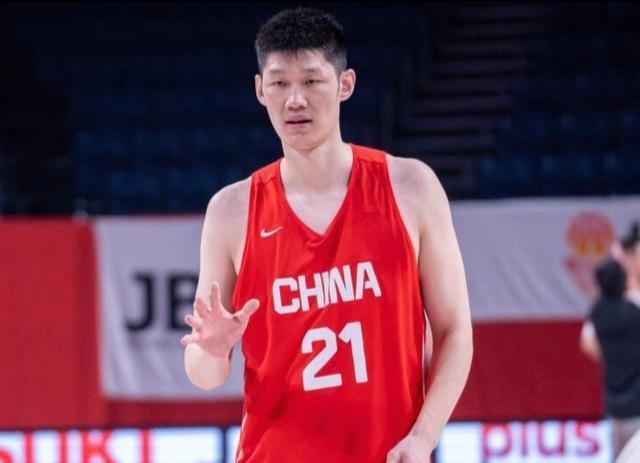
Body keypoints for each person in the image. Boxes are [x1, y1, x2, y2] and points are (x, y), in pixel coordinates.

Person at [180, 7, 473, 463]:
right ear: (260, 90)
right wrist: (214, 349)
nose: (295, 99)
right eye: (279, 83)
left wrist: (423, 438)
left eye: (312, 81)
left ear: (344, 84)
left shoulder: (410, 186)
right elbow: (203, 373)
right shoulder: (231, 211)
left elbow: (454, 331)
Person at [580, 258, 640, 459]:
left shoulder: (598, 312)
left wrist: (611, 354)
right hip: (637, 402)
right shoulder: (634, 311)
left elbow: (586, 342)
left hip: (614, 404)